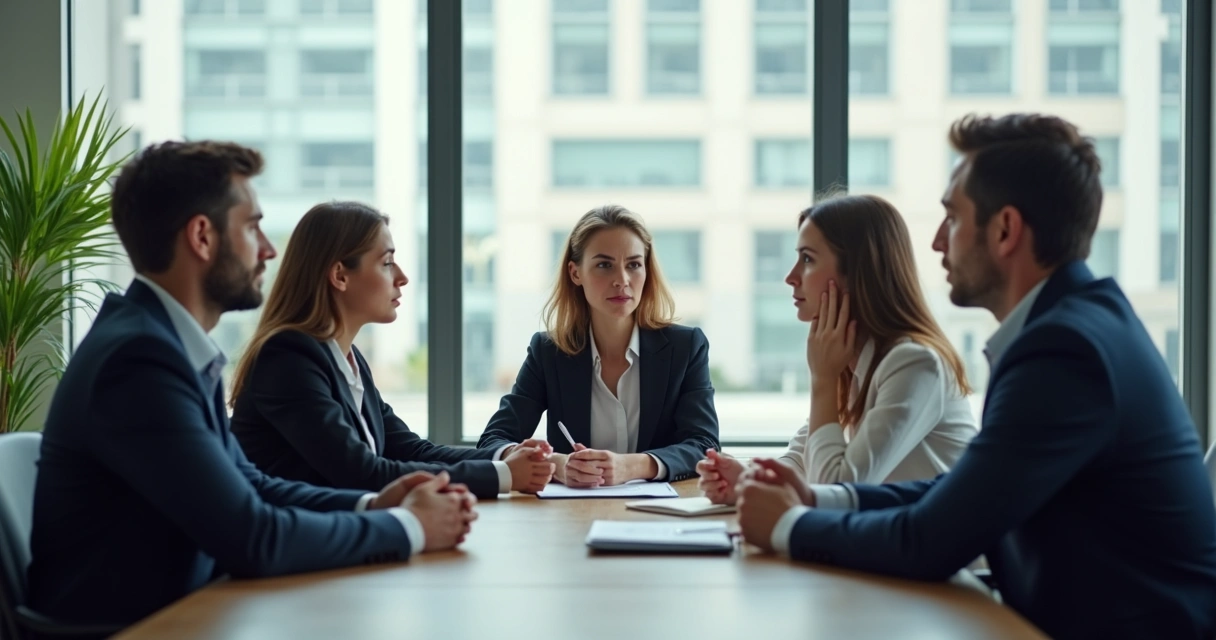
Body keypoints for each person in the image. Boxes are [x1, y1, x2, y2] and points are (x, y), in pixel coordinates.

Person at [735, 114, 1216, 639]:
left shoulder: (1065, 351)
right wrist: (818, 500)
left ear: (1005, 230)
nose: (939, 242)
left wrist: (788, 525)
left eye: (953, 218)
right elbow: (963, 492)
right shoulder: (1076, 324)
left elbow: (931, 541)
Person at [26, 142, 476, 629]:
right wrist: (408, 526)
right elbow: (253, 537)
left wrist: (375, 503)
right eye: (251, 226)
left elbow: (253, 486)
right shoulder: (137, 360)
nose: (269, 249)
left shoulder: (161, 343)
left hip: (189, 613)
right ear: (202, 236)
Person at [229, 202, 553, 498]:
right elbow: (362, 473)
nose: (402, 277)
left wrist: (505, 456)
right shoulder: (288, 360)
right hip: (301, 554)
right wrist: (504, 475)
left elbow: (412, 450)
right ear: (340, 275)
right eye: (387, 263)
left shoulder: (346, 360)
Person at [696, 195, 977, 504]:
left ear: (858, 272)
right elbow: (805, 459)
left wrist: (823, 380)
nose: (790, 277)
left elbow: (836, 487)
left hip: (929, 550)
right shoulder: (854, 359)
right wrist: (747, 480)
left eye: (807, 259)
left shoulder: (914, 363)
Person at [476, 204, 719, 486]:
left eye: (634, 265)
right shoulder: (548, 352)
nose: (622, 280)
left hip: (658, 517)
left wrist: (632, 466)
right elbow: (492, 442)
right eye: (604, 265)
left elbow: (704, 445)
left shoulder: (686, 347)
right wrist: (556, 464)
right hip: (572, 516)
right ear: (575, 273)